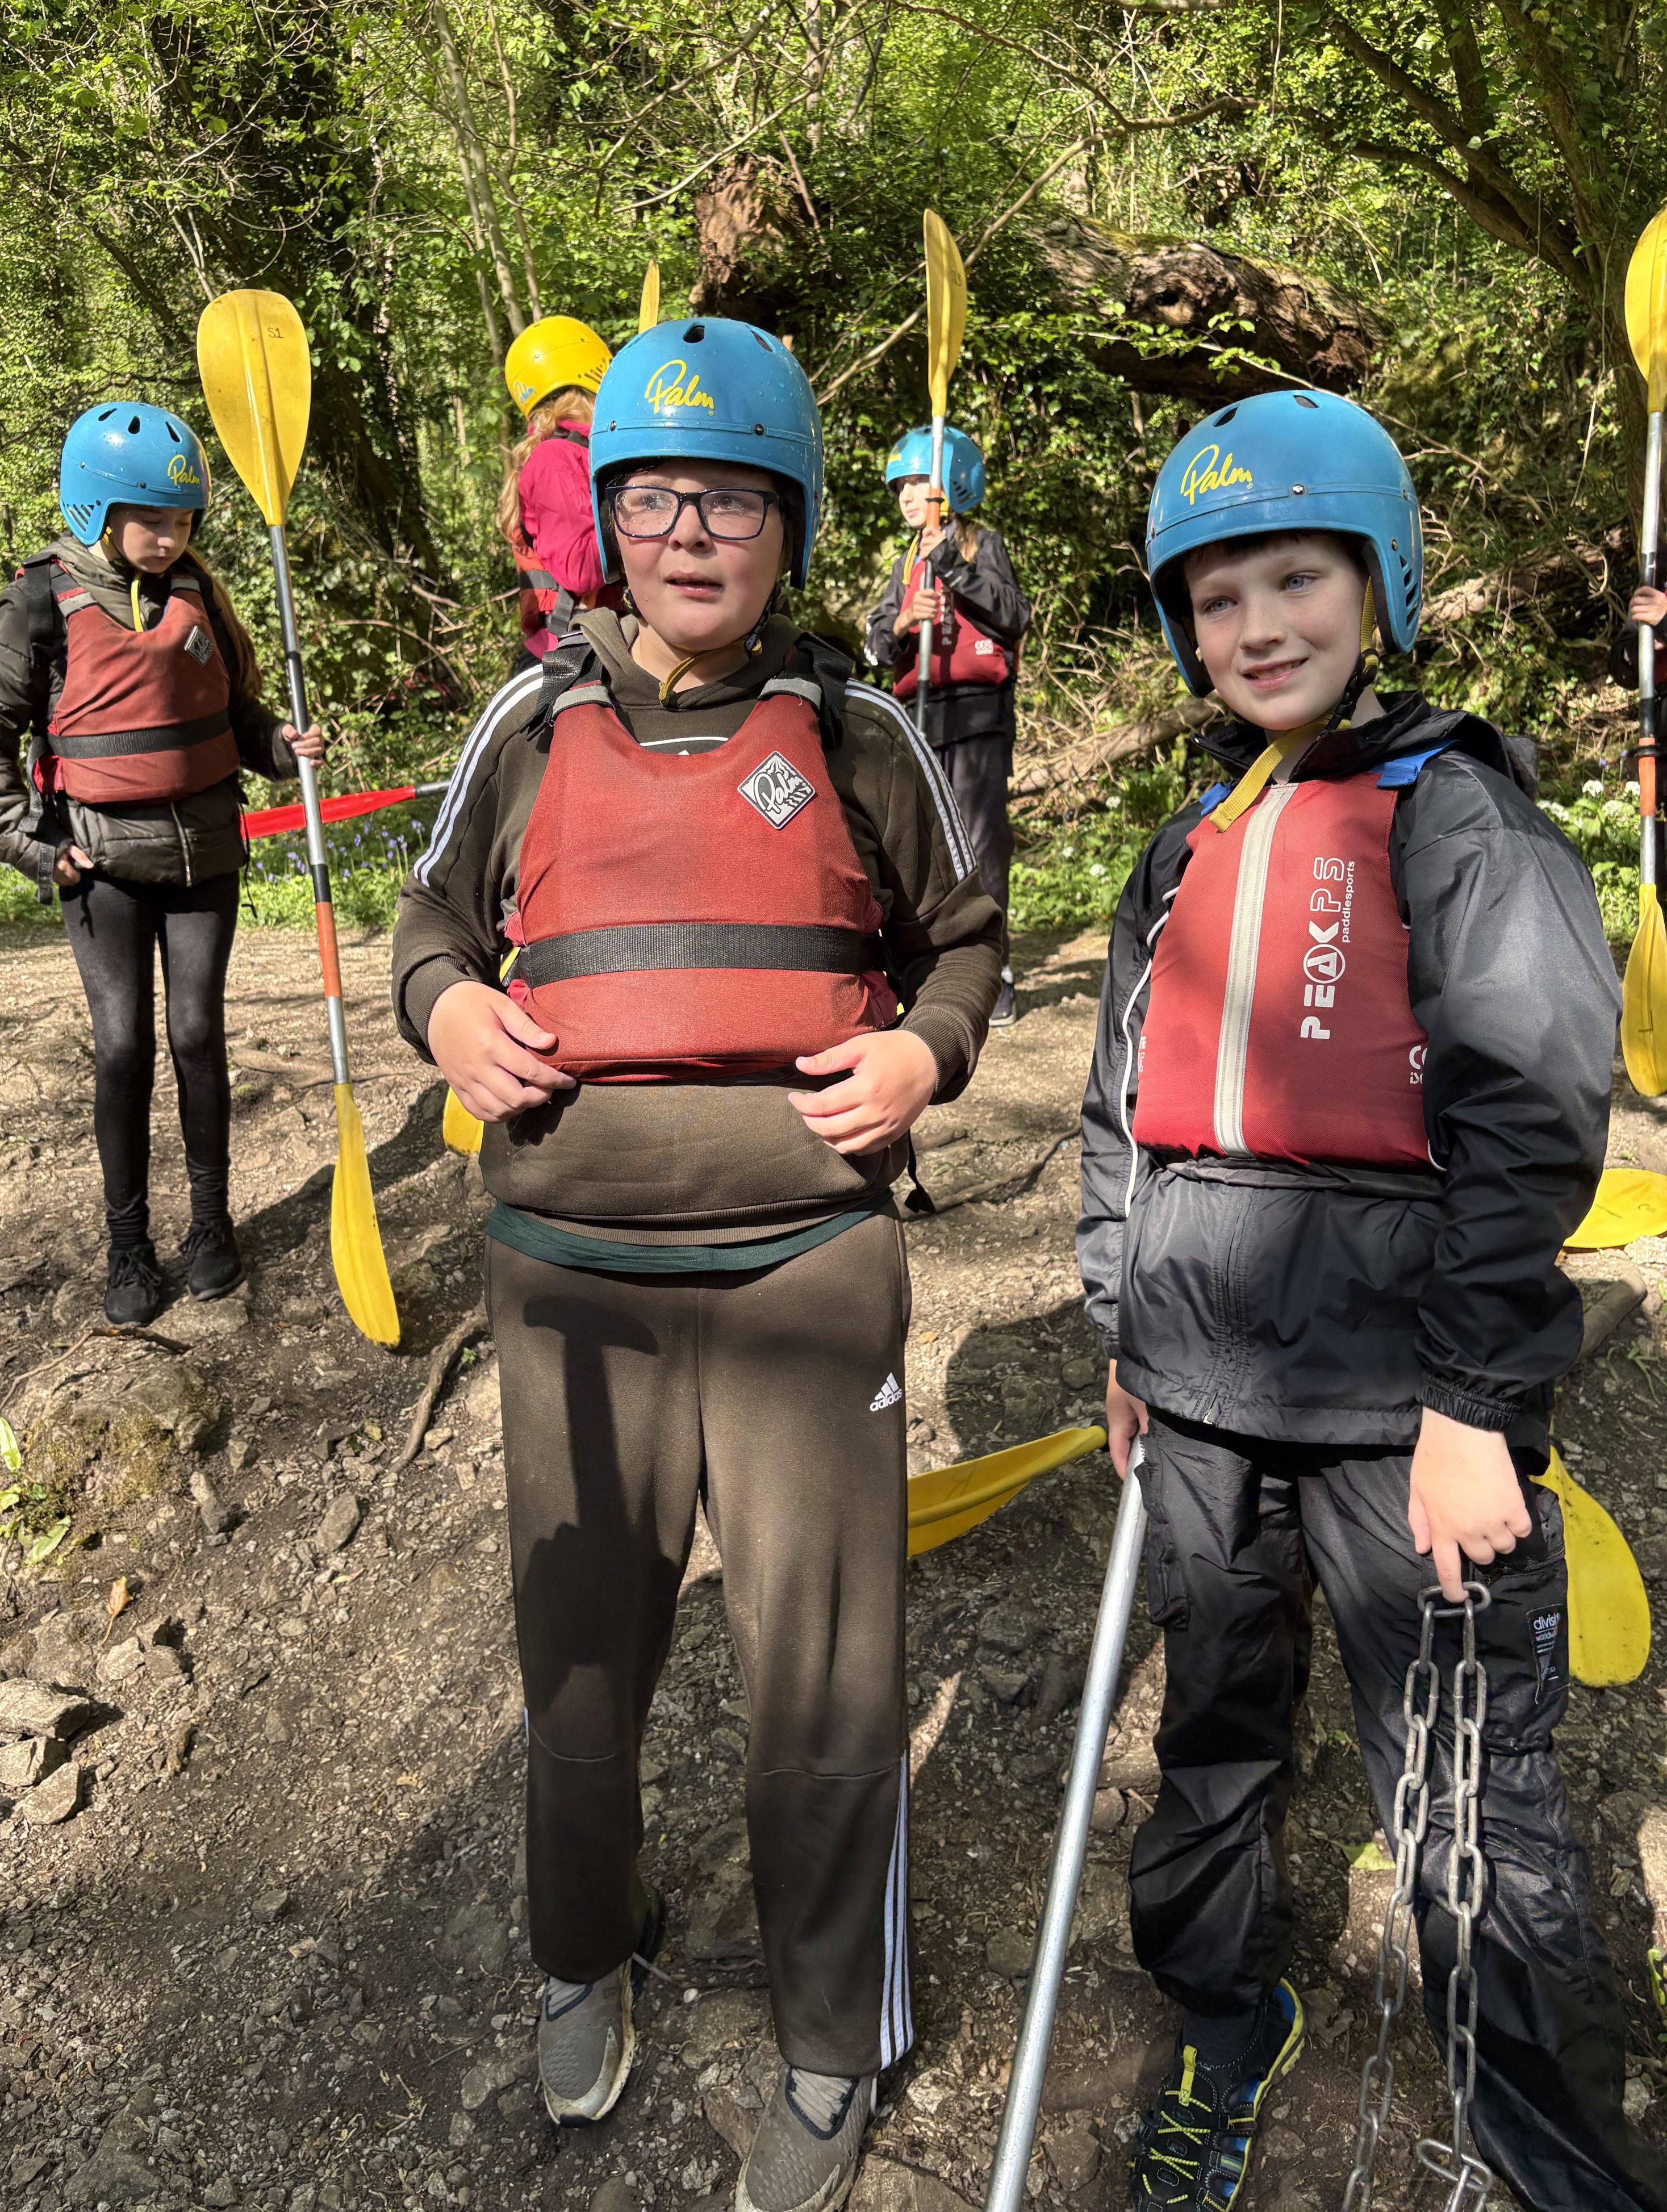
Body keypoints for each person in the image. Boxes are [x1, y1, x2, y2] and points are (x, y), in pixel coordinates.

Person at [394, 317, 1001, 2211]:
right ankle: (587, 1947)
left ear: (789, 524)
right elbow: (430, 924)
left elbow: (969, 934)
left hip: (806, 1270)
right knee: (581, 1657)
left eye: (732, 500)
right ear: (607, 520)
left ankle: (830, 2034)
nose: (690, 533)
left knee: (820, 1677)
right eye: (655, 498)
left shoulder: (857, 729)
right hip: (568, 1280)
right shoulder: (527, 720)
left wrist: (925, 1054)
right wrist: (446, 1015)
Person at [1076, 387, 1666, 2211]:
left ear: (1379, 583)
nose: (1257, 626)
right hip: (1200, 1383)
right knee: (1212, 1731)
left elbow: (1533, 1112)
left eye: (1297, 580)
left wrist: (1478, 1406)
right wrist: (1121, 1328)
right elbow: (1119, 1106)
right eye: (1219, 597)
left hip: (1402, 1402)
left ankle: (1548, 2151)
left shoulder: (1454, 811)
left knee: (1470, 1786)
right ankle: (1224, 2016)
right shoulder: (1185, 840)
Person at [0, 402, 323, 1327]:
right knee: (122, 1048)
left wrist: (282, 747)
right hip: (99, 865)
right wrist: (30, 841)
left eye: (183, 520)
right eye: (151, 520)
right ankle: (128, 1247)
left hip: (206, 857)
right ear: (96, 509)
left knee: (197, 1036)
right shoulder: (41, 598)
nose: (169, 538)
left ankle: (211, 1226)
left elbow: (234, 715)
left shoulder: (198, 592)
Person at [865, 424, 1031, 1025]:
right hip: (919, 717)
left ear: (951, 485)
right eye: (901, 487)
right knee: (916, 847)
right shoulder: (905, 562)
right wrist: (904, 620)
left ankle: (995, 972)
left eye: (919, 484)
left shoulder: (979, 545)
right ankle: (928, 969)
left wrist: (954, 571)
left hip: (977, 713)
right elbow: (877, 646)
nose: (908, 497)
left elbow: (1014, 615)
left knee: (981, 842)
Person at [499, 313, 625, 663]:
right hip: (570, 658)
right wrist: (637, 502)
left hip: (606, 644)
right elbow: (580, 570)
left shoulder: (591, 451)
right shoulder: (554, 458)